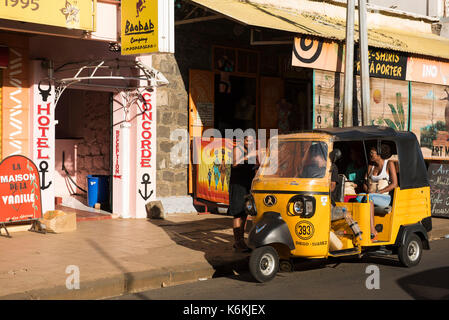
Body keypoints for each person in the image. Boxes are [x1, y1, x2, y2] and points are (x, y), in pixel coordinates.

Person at [358, 144, 398, 241]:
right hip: (371, 194)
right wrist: (367, 190)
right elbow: (365, 183)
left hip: (384, 197)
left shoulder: (389, 164)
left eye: (372, 153)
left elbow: (394, 184)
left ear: (379, 154)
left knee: (369, 198)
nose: (370, 155)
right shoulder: (371, 166)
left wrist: (380, 191)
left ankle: (373, 231)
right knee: (358, 197)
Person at [228, 135, 258, 252]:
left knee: (244, 212)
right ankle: (237, 241)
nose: (249, 142)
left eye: (251, 140)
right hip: (237, 185)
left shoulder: (250, 151)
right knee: (237, 213)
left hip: (247, 185)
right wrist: (248, 157)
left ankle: (241, 241)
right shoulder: (237, 149)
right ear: (243, 140)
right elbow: (235, 164)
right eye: (247, 140)